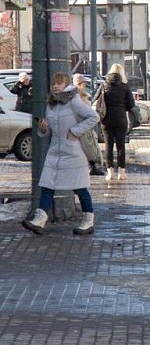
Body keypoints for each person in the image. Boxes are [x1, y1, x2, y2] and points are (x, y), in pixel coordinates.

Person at [22, 72, 100, 235]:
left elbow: (94, 117)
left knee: (80, 188)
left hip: (73, 151)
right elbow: (48, 131)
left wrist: (75, 131)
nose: (55, 87)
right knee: (47, 185)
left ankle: (88, 220)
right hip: (55, 150)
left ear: (66, 85)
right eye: (54, 84)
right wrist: (43, 129)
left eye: (59, 83)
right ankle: (39, 220)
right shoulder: (51, 103)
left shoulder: (74, 100)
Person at [98, 64, 136, 182]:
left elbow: (96, 99)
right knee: (120, 146)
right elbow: (131, 104)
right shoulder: (125, 87)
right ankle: (122, 172)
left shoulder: (103, 85)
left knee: (108, 146)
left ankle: (110, 172)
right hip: (120, 119)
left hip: (106, 119)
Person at [73, 74, 105, 177]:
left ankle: (92, 166)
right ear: (79, 84)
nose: (85, 85)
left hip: (85, 127)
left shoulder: (83, 95)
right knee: (86, 148)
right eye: (83, 84)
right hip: (81, 127)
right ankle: (90, 167)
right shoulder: (76, 96)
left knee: (89, 147)